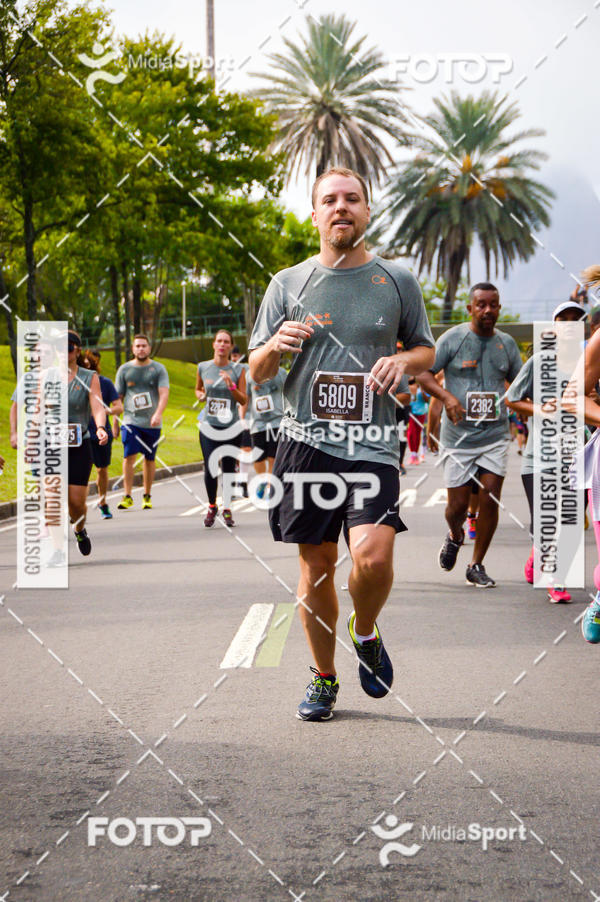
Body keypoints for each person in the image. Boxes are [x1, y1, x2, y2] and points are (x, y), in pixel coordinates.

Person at [248, 166, 434, 721]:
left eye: (352, 199)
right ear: (315, 214)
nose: (341, 208)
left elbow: (424, 349)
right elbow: (255, 372)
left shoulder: (396, 280)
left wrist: (402, 359)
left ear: (367, 211)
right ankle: (324, 677)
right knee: (317, 566)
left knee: (373, 559)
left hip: (373, 441)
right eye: (329, 200)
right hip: (305, 443)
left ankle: (366, 629)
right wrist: (274, 346)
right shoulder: (287, 283)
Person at [417, 282, 522, 587]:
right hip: (459, 438)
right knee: (458, 507)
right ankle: (455, 533)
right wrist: (447, 398)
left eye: (493, 305)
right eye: (481, 305)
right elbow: (423, 374)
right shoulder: (453, 339)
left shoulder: (507, 344)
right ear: (470, 308)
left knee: (490, 496)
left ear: (499, 307)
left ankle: (476, 564)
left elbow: (520, 383)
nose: (488, 310)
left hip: (494, 435)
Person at [506, 301, 586, 603]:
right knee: (544, 522)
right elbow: (511, 398)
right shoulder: (540, 362)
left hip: (577, 455)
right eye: (562, 320)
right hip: (539, 457)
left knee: (569, 520)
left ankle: (554, 575)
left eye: (575, 319)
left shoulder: (590, 361)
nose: (568, 324)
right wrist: (540, 409)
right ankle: (544, 562)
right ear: (554, 327)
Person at [196, 329, 247, 527]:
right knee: (210, 468)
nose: (222, 344)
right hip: (209, 425)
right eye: (219, 341)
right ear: (214, 344)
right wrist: (200, 395)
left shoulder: (238, 369)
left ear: (230, 346)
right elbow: (198, 388)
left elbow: (244, 399)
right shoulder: (203, 367)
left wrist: (231, 387)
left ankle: (226, 508)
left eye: (226, 341)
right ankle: (211, 505)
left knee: (228, 469)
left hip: (231, 428)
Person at [114, 335, 169, 510]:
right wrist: (115, 423)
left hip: (151, 423)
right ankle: (127, 495)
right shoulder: (124, 370)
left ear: (149, 348)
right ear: (132, 349)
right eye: (137, 346)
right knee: (129, 455)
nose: (141, 349)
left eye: (144, 346)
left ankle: (146, 495)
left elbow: (164, 393)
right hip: (131, 420)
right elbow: (118, 399)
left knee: (149, 458)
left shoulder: (158, 369)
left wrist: (158, 414)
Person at [66, 331, 108, 555]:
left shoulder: (88, 376)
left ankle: (79, 530)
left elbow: (97, 406)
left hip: (79, 444)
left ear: (77, 350)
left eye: (69, 347)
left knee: (76, 503)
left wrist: (100, 427)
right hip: (51, 446)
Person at [82, 349, 123, 519]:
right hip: (82, 434)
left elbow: (119, 407)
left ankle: (102, 501)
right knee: (82, 473)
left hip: (101, 433)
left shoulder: (105, 383)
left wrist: (104, 412)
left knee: (102, 470)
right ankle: (79, 509)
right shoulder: (75, 382)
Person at [241, 364, 286, 497]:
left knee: (273, 457)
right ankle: (262, 480)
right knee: (258, 458)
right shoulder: (250, 374)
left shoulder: (282, 373)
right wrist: (242, 417)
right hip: (258, 423)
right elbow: (245, 397)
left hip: (277, 421)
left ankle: (270, 486)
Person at [406, 378, 428, 464]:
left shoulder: (422, 386)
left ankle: (416, 455)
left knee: (417, 434)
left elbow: (427, 400)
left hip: (421, 413)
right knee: (411, 433)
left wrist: (422, 389)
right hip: (411, 413)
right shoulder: (407, 386)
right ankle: (413, 454)